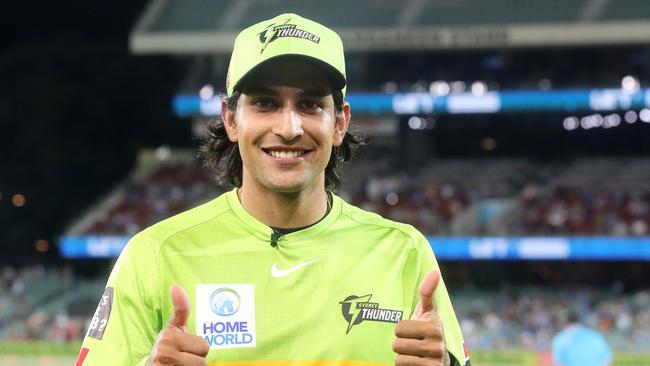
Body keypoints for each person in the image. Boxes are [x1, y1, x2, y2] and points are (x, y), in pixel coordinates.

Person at [76, 13, 470, 366]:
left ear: (340, 123)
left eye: (311, 104)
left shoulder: (404, 251)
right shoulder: (155, 256)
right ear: (230, 120)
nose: (289, 128)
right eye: (265, 102)